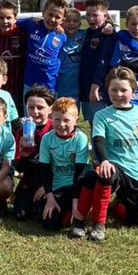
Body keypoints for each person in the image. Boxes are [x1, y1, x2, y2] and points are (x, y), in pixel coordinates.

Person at [70, 67, 138, 242]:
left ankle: (114, 204)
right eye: (113, 90)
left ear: (133, 91)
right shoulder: (102, 115)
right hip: (113, 166)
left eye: (123, 90)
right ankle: (95, 225)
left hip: (136, 172)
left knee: (132, 220)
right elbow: (98, 141)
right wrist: (104, 161)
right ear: (106, 90)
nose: (118, 94)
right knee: (104, 174)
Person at [37, 97, 90, 232]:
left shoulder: (80, 139)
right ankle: (66, 215)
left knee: (75, 209)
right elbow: (44, 170)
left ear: (76, 121)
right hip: (59, 186)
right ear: (51, 119)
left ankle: (78, 211)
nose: (61, 124)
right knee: (49, 224)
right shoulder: (47, 139)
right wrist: (50, 197)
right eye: (57, 119)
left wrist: (75, 202)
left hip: (77, 186)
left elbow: (80, 173)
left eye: (66, 120)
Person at [12, 85, 55, 221]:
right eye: (30, 107)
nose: (35, 112)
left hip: (54, 179)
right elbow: (19, 168)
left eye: (40, 108)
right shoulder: (22, 131)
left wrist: (47, 187)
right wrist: (24, 154)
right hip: (31, 178)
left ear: (50, 109)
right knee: (21, 214)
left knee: (43, 215)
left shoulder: (56, 129)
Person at [16, 0, 69, 98]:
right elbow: (12, 22)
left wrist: (109, 23)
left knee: (49, 112)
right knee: (29, 111)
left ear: (63, 20)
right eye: (50, 14)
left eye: (57, 17)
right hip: (30, 81)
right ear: (43, 12)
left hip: (50, 84)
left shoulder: (62, 36)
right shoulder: (31, 24)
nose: (52, 19)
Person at [108, 6, 138, 110]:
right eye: (133, 24)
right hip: (120, 91)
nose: (137, 28)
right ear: (127, 25)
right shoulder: (120, 43)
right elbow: (114, 67)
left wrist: (125, 63)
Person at [81, 0, 117, 123]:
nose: (91, 18)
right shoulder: (86, 34)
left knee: (100, 125)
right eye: (88, 15)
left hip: (98, 90)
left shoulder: (107, 35)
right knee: (92, 124)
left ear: (105, 16)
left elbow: (103, 61)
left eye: (95, 15)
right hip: (85, 88)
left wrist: (96, 86)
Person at [0, 0, 25, 97]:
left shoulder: (24, 33)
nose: (5, 21)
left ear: (15, 18)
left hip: (20, 85)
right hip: (0, 85)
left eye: (9, 18)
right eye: (1, 18)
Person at [54, 8, 85, 111]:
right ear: (62, 22)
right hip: (58, 85)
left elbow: (99, 29)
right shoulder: (56, 36)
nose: (71, 24)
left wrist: (108, 24)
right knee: (57, 114)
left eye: (75, 21)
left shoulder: (84, 35)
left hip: (75, 87)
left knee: (72, 114)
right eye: (67, 20)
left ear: (80, 24)